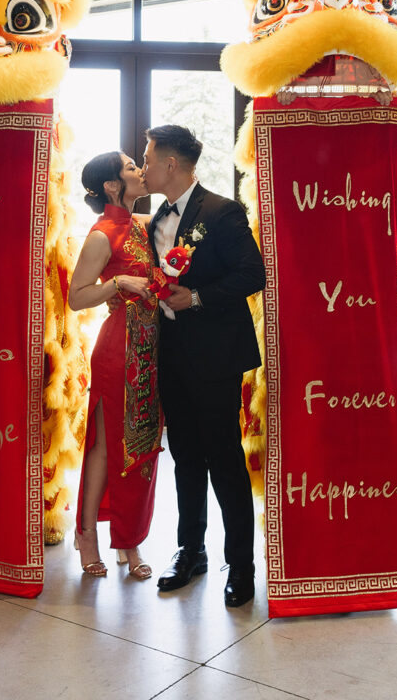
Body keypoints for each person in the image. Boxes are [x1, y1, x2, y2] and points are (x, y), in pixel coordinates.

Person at [142, 125, 265, 607]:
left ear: (171, 164)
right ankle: (190, 551)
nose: (144, 164)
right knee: (185, 457)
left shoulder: (221, 211)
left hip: (216, 355)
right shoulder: (153, 221)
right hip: (171, 354)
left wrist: (194, 296)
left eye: (149, 157)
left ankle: (241, 564)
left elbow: (253, 273)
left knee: (224, 459)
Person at [68, 150, 162, 580]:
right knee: (108, 448)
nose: (140, 171)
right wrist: (117, 283)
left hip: (152, 349)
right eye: (130, 167)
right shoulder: (103, 234)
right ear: (112, 185)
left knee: (143, 450)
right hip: (118, 347)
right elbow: (77, 297)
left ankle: (129, 539)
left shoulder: (143, 227)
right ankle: (87, 535)